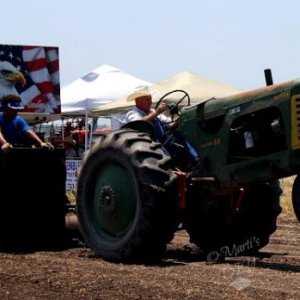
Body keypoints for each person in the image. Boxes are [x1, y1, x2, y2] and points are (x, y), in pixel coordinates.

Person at [125, 87, 199, 167]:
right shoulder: (132, 113)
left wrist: (181, 118)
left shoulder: (152, 112)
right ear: (138, 101)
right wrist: (156, 113)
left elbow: (169, 125)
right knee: (164, 152)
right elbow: (139, 123)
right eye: (148, 100)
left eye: (151, 99)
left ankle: (195, 161)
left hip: (165, 140)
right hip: (149, 143)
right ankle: (172, 169)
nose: (150, 102)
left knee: (180, 133)